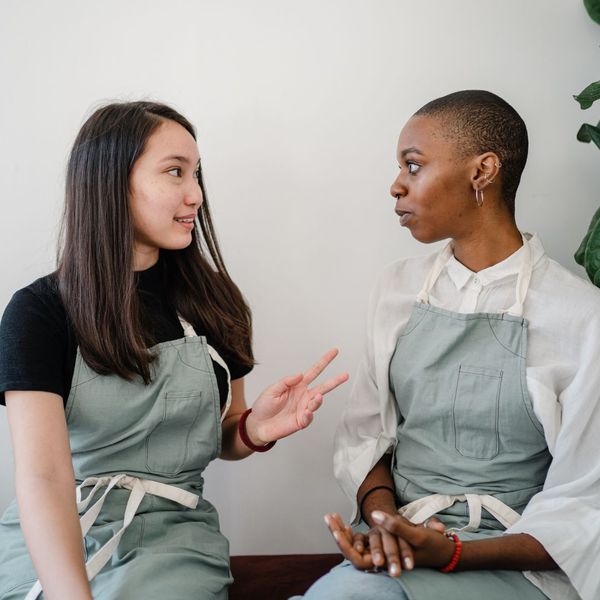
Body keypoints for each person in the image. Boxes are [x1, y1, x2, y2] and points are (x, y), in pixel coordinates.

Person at [0, 101, 348, 600]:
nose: (196, 194)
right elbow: (43, 476)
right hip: (54, 530)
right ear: (111, 181)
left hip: (173, 539)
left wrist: (252, 430)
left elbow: (223, 438)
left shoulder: (213, 301)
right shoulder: (38, 313)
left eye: (197, 173)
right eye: (175, 172)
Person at [297, 90, 600, 600]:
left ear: (483, 172)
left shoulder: (580, 315)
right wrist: (388, 527)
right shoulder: (395, 290)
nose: (396, 186)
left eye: (413, 166)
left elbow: (585, 506)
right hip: (406, 551)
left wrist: (454, 553)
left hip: (521, 567)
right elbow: (367, 436)